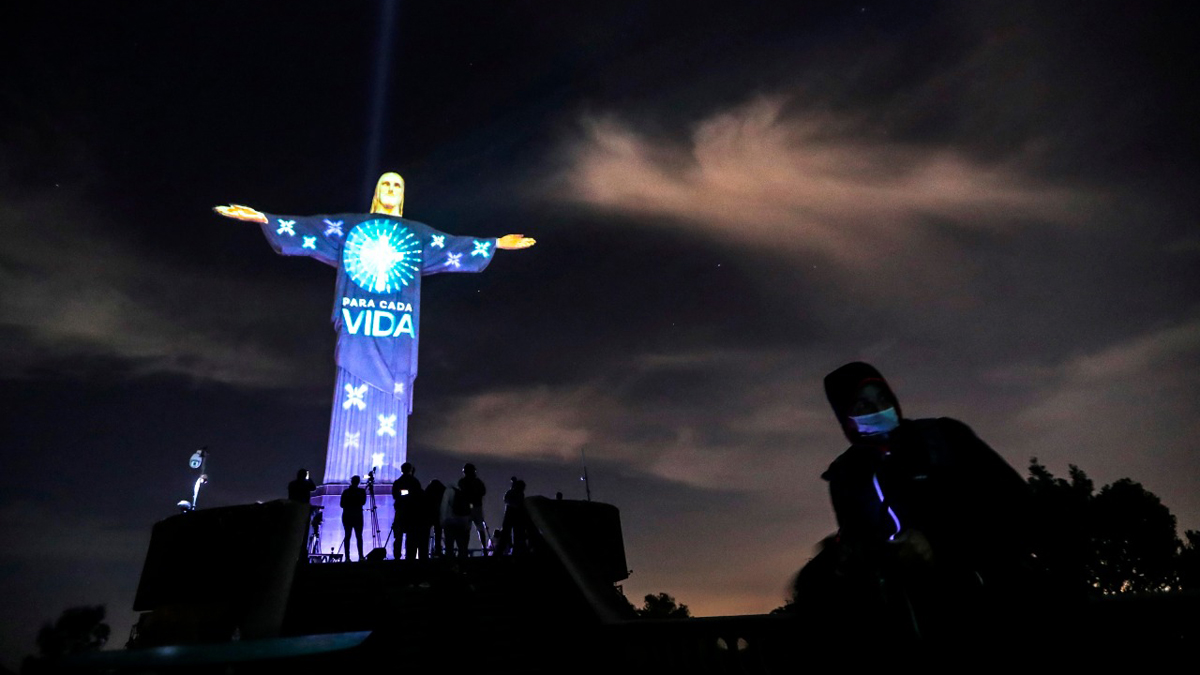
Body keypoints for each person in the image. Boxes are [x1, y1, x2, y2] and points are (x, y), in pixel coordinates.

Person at [213, 173, 535, 493]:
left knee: (392, 403)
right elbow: (313, 228)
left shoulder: (416, 234)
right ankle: (342, 480)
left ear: (402, 194)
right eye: (386, 184)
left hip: (396, 335)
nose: (391, 189)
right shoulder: (353, 226)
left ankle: (382, 483)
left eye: (397, 185)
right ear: (377, 191)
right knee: (350, 394)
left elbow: (452, 244)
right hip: (359, 328)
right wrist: (264, 218)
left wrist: (494, 243)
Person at [814, 361, 1032, 640]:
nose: (878, 408)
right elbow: (859, 545)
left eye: (882, 397)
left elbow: (1020, 505)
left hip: (997, 609)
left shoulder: (946, 437)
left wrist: (938, 546)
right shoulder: (845, 475)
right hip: (914, 626)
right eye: (862, 405)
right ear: (845, 418)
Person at [391, 462, 424, 560]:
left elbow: (395, 495)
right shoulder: (415, 482)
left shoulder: (398, 482)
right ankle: (410, 556)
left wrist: (404, 494)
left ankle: (397, 556)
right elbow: (418, 495)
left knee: (398, 536)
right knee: (411, 536)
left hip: (401, 511)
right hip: (412, 513)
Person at [458, 463, 489, 552]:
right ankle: (483, 548)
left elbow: (462, 493)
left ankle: (464, 549)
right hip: (475, 507)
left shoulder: (463, 482)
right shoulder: (476, 482)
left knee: (468, 529)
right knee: (478, 529)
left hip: (469, 508)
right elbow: (483, 492)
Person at [340, 475, 367, 562]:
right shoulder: (361, 491)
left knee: (347, 536)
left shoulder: (346, 492)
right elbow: (363, 502)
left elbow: (342, 504)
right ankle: (361, 556)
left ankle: (347, 557)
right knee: (359, 536)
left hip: (347, 515)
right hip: (357, 515)